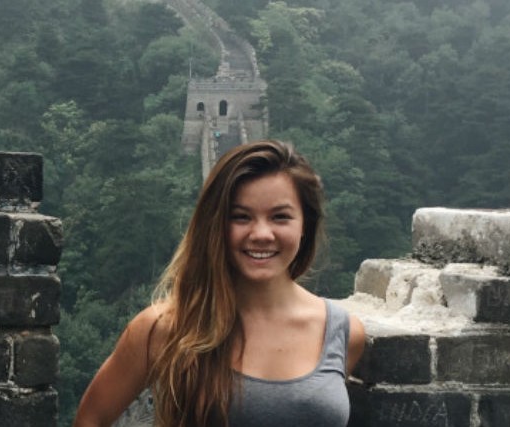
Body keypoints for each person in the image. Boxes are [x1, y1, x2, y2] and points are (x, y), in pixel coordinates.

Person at [73, 140, 366, 427]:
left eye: (280, 217)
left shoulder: (342, 333)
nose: (261, 233)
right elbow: (91, 418)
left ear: (305, 225)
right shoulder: (167, 328)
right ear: (215, 227)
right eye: (241, 217)